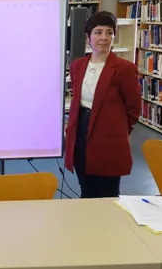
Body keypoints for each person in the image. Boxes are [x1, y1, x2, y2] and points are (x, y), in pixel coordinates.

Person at [64, 11, 141, 198]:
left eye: (109, 32)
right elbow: (77, 99)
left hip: (109, 135)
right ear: (88, 37)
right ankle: (87, 226)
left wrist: (118, 129)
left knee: (107, 193)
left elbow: (134, 108)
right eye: (98, 32)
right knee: (86, 188)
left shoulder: (124, 68)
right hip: (81, 132)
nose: (104, 38)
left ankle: (108, 227)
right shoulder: (77, 65)